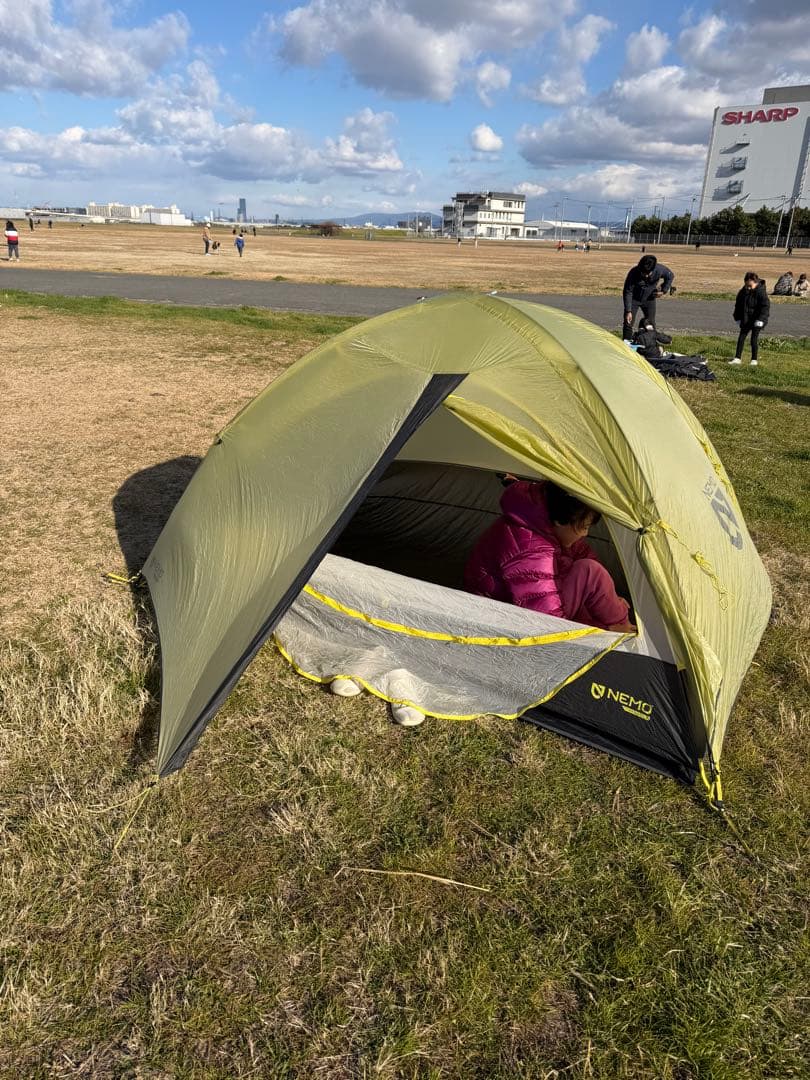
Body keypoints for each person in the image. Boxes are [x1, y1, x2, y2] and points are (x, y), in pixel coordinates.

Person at [463, 479, 636, 633]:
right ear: (561, 521)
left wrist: (609, 598)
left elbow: (581, 552)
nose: (585, 534)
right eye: (584, 527)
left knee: (590, 581)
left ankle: (619, 621)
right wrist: (605, 631)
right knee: (590, 572)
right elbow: (547, 624)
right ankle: (624, 630)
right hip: (501, 620)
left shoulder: (541, 516)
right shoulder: (530, 551)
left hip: (519, 603)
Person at [622, 254, 674, 339]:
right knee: (628, 322)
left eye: (648, 273)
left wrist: (663, 290)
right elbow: (628, 291)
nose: (645, 276)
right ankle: (626, 342)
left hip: (649, 300)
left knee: (651, 323)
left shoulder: (659, 269)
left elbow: (670, 276)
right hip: (634, 299)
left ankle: (650, 342)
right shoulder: (633, 272)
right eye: (643, 273)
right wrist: (628, 310)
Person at [730, 272, 769, 367]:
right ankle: (737, 358)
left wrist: (761, 320)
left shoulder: (761, 292)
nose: (748, 288)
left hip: (757, 320)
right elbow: (738, 305)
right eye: (746, 285)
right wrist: (737, 317)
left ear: (756, 282)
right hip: (746, 318)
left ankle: (754, 360)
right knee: (741, 337)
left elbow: (765, 307)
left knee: (753, 339)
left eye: (750, 286)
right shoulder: (743, 292)